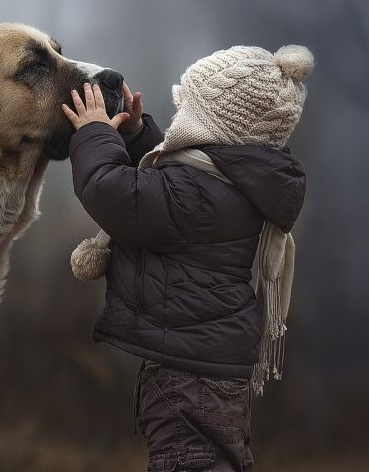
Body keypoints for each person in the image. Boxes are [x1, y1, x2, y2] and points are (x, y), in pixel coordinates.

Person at [59, 45, 314, 471]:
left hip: (187, 380)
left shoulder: (196, 196)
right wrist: (137, 135)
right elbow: (167, 188)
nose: (180, 119)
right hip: (209, 369)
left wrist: (94, 133)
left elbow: (112, 191)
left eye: (188, 108)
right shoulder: (227, 183)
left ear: (211, 125)